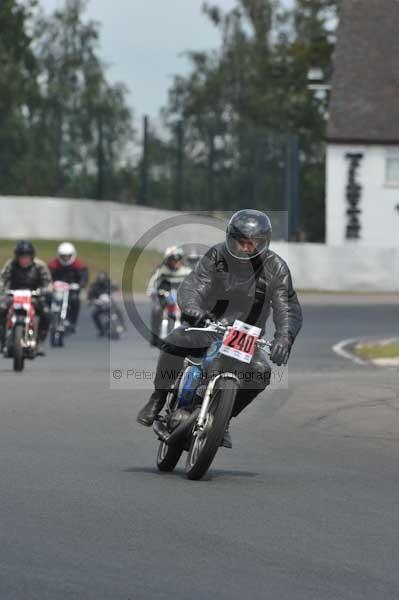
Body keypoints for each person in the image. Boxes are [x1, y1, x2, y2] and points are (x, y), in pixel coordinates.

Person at [137, 209, 303, 448]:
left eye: (251, 243)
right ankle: (158, 397)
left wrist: (284, 339)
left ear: (263, 243)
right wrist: (194, 311)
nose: (245, 248)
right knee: (174, 340)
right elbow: (195, 284)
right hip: (209, 324)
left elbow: (286, 307)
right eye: (239, 242)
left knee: (261, 372)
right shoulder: (217, 255)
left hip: (245, 337)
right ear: (230, 239)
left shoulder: (276, 268)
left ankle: (222, 420)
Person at [0, 241, 52, 353]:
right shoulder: (11, 264)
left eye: (27, 257)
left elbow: (47, 282)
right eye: (21, 257)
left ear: (32, 257)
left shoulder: (39, 266)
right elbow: (3, 279)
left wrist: (44, 290)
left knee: (47, 313)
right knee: (2, 308)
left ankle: (39, 342)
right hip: (13, 295)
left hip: (34, 295)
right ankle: (3, 339)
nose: (24, 260)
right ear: (17, 256)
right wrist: (2, 288)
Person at [146, 246, 192, 346]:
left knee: (193, 313)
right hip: (165, 296)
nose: (176, 262)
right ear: (168, 260)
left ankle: (192, 337)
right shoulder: (162, 270)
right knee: (156, 310)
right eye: (172, 259)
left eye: (178, 259)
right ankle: (155, 336)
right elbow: (152, 281)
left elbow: (196, 282)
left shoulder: (187, 270)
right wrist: (151, 290)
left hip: (182, 297)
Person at [48, 242, 88, 332]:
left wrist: (81, 284)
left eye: (68, 256)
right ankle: (48, 321)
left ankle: (71, 322)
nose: (66, 258)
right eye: (63, 256)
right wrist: (49, 284)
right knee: (46, 299)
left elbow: (83, 276)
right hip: (57, 289)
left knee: (75, 300)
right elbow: (47, 275)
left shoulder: (77, 264)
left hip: (71, 289)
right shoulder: (54, 264)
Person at [88, 271, 126, 337]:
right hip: (100, 305)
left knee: (119, 311)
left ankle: (122, 325)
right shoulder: (94, 286)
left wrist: (115, 285)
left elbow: (116, 288)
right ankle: (101, 330)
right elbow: (90, 296)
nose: (102, 280)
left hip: (110, 304)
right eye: (100, 278)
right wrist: (93, 301)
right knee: (94, 315)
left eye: (103, 278)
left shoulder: (109, 283)